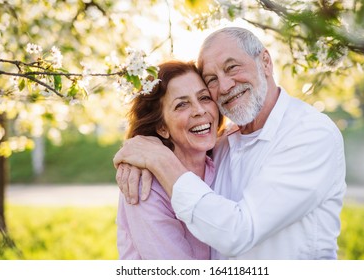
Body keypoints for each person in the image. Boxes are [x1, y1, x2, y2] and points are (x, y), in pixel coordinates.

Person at [113, 27, 347, 260]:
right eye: (212, 80)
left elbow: (238, 232)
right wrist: (140, 151)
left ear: (265, 61)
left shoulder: (309, 134)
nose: (224, 87)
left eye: (232, 67)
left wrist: (159, 160)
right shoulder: (223, 143)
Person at [116, 60, 222, 259]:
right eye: (182, 104)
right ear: (162, 127)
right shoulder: (145, 187)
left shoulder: (222, 157)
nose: (200, 110)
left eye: (204, 97)